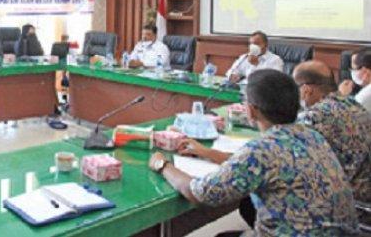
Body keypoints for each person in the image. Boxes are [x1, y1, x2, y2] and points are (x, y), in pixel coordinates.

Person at [149, 69, 358, 236]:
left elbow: (200, 194)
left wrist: (162, 164)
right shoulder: (312, 135)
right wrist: (207, 152)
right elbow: (257, 164)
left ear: (250, 110)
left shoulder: (261, 151)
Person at [294, 60, 371, 203]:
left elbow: (297, 164)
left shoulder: (314, 116)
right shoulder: (353, 104)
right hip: (364, 190)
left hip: (343, 202)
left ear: (306, 89)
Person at [339, 48, 371, 112]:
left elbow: (343, 115)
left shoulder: (365, 94)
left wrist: (341, 95)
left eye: (357, 68)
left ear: (365, 71)